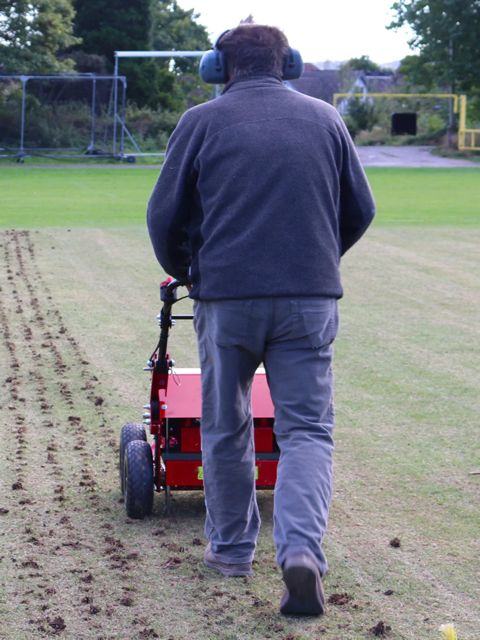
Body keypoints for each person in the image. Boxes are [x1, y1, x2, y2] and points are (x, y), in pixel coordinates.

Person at [147, 24, 375, 616]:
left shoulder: (199, 122)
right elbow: (361, 210)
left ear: (217, 68)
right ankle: (300, 552)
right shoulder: (327, 120)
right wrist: (317, 262)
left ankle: (230, 553)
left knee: (226, 427)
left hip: (225, 301)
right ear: (289, 63)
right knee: (307, 432)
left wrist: (190, 271)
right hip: (309, 300)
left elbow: (162, 218)